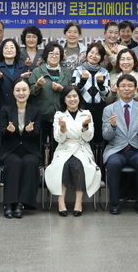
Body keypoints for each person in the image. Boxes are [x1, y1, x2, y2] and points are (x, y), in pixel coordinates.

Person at [44, 86, 102, 216]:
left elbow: (88, 137)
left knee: (79, 164)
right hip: (64, 148)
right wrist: (63, 128)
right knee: (63, 165)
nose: (72, 99)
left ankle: (78, 201)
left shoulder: (86, 113)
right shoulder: (59, 115)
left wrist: (85, 126)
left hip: (81, 147)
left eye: (75, 96)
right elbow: (58, 138)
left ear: (79, 98)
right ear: (64, 99)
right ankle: (60, 201)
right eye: (69, 96)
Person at [102, 74, 138, 215]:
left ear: (135, 89)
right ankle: (114, 203)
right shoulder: (109, 109)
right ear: (117, 89)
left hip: (137, 149)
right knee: (113, 164)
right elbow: (106, 136)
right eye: (123, 86)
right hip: (116, 149)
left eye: (130, 86)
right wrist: (112, 126)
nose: (126, 89)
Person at [0, 79, 41, 218]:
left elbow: (38, 134)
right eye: (18, 90)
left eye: (24, 90)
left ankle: (21, 203)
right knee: (14, 163)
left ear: (29, 92)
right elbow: (2, 133)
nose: (21, 93)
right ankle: (9, 203)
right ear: (13, 92)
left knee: (30, 163)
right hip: (11, 149)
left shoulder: (36, 110)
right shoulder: (6, 109)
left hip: (30, 149)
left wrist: (30, 131)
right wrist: (9, 130)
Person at [29, 42, 73, 148]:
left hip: (61, 117)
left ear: (61, 56)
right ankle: (40, 164)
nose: (54, 56)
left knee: (58, 147)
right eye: (51, 53)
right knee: (39, 146)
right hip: (41, 116)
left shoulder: (67, 72)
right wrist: (37, 86)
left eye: (57, 54)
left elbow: (73, 94)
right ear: (46, 55)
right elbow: (28, 93)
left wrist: (62, 90)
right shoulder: (37, 71)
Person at [0, 38, 30, 146]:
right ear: (1, 51)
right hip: (0, 107)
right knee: (0, 138)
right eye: (6, 48)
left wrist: (23, 78)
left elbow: (28, 89)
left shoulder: (23, 68)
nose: (9, 50)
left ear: (16, 50)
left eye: (12, 47)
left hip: (19, 108)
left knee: (17, 138)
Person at [72, 42, 111, 144]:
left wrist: (101, 84)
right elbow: (73, 90)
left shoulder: (104, 72)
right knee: (83, 135)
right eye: (91, 52)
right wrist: (83, 81)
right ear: (87, 53)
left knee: (98, 137)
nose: (94, 56)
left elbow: (106, 94)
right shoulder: (78, 70)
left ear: (101, 57)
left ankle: (98, 158)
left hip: (99, 108)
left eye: (97, 54)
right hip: (83, 107)